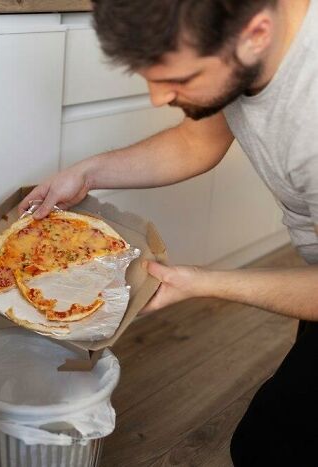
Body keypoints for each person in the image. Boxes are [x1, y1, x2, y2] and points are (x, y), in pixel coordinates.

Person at [19, 0, 318, 464]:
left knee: (271, 448)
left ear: (257, 33)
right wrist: (89, 172)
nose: (159, 98)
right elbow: (198, 140)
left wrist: (199, 281)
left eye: (178, 80)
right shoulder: (246, 37)